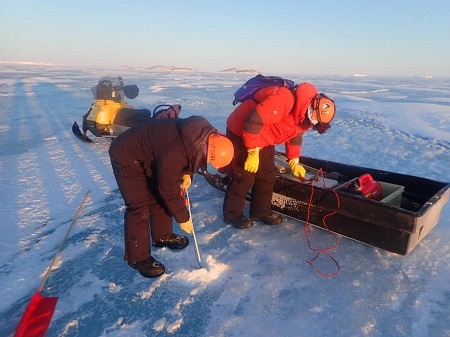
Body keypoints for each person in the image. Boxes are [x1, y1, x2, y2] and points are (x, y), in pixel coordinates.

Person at [109, 115, 234, 278]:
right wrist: (183, 217)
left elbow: (192, 156)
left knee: (158, 197)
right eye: (208, 160)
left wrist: (187, 173)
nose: (206, 163)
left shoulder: (201, 136)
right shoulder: (175, 152)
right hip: (126, 155)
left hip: (150, 154)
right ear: (209, 149)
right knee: (139, 206)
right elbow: (168, 188)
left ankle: (162, 236)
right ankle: (137, 258)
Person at [223, 81, 336, 229]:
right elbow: (252, 121)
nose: (313, 126)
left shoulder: (305, 116)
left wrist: (294, 161)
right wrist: (252, 152)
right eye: (315, 122)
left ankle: (260, 212)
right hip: (242, 130)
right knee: (245, 176)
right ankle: (232, 215)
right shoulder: (284, 99)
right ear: (312, 110)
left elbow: (295, 134)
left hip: (265, 136)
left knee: (267, 175)